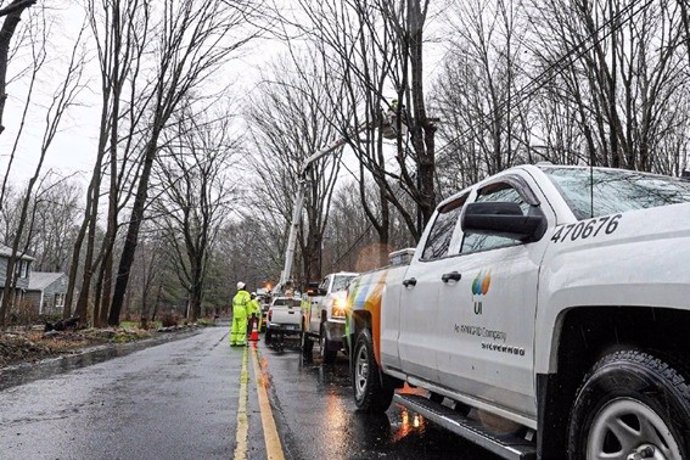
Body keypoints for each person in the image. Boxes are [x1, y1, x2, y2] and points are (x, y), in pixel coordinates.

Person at [230, 282, 251, 346]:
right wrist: (249, 314)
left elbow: (233, 305)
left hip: (235, 313)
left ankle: (233, 341)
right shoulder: (246, 295)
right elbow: (248, 305)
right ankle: (240, 341)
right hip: (242, 312)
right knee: (242, 327)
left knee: (235, 327)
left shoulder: (235, 296)